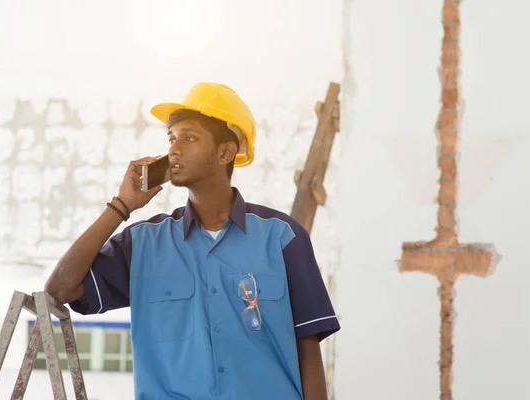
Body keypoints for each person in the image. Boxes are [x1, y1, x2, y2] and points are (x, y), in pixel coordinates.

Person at [44, 82, 340, 400]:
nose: (174, 150)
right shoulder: (142, 245)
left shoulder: (283, 237)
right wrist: (122, 206)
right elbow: (60, 290)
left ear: (225, 152)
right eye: (172, 138)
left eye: (189, 138)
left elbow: (308, 351)